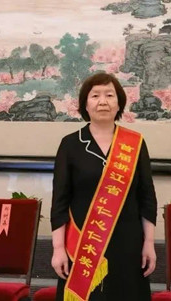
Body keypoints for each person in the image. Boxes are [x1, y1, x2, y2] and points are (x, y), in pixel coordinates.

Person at [50, 73, 157, 301]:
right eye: (95, 95)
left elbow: (147, 197)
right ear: (85, 104)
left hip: (128, 244)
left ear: (119, 103)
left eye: (109, 95)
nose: (103, 101)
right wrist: (58, 249)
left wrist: (149, 243)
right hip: (83, 244)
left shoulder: (135, 143)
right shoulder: (70, 144)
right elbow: (59, 201)